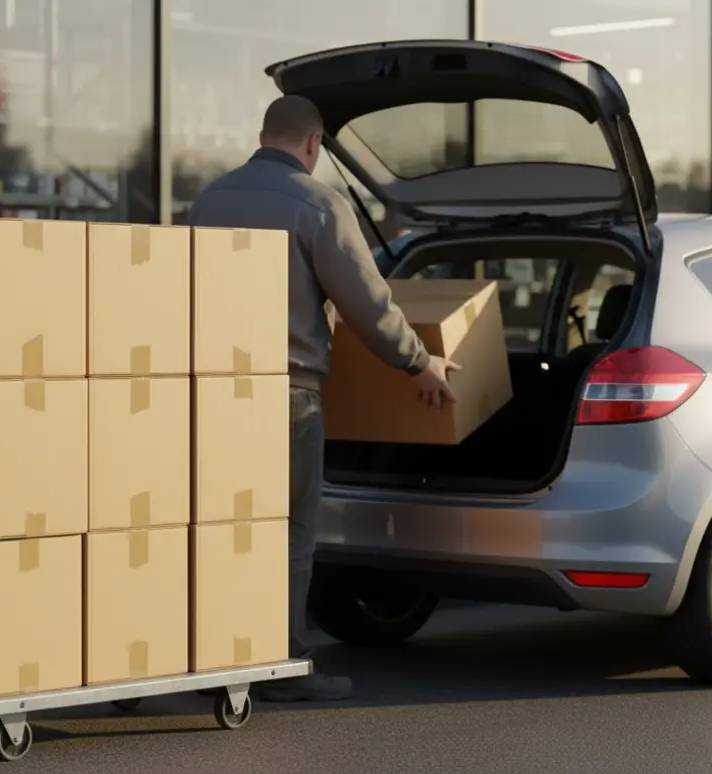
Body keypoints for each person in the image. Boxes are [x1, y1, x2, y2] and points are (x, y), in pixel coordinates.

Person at [187, 95, 459, 703]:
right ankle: (283, 663)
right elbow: (368, 304)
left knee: (224, 528)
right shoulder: (318, 204)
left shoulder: (209, 201)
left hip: (211, 396)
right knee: (288, 532)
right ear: (313, 144)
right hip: (286, 396)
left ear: (263, 135)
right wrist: (419, 362)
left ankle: (215, 657)